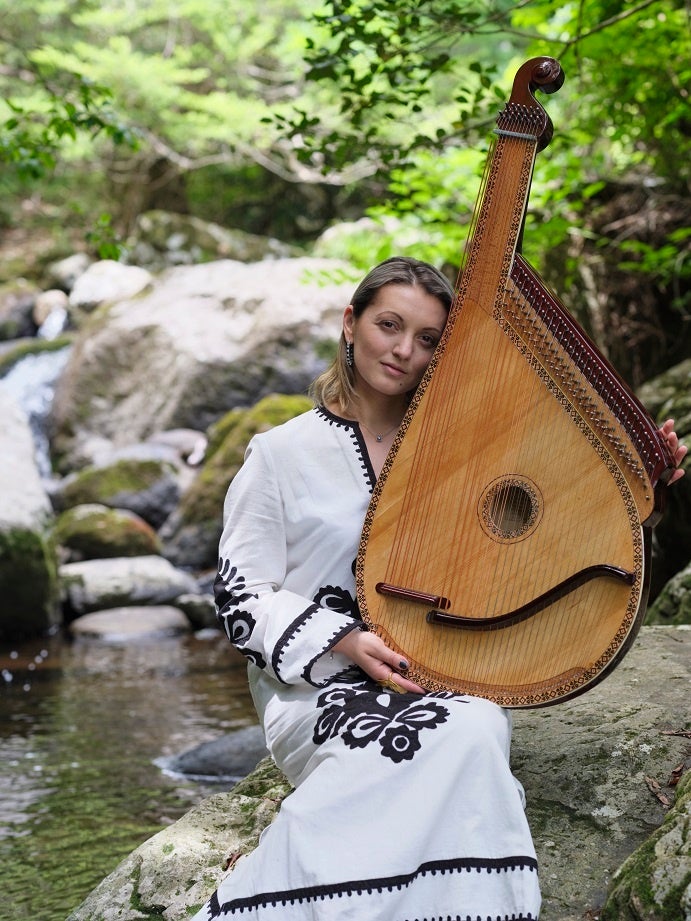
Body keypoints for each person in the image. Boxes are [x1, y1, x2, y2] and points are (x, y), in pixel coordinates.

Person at [191, 256, 686, 921]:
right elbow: (240, 595)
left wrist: (636, 494)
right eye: (388, 325)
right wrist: (345, 638)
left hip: (440, 673)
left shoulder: (458, 451)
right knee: (457, 733)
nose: (403, 350)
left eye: (427, 339)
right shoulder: (279, 453)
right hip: (318, 690)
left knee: (476, 720)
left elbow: (538, 544)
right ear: (350, 322)